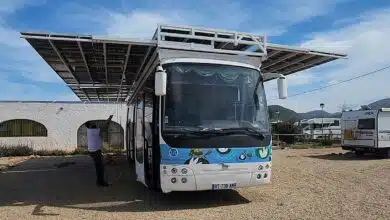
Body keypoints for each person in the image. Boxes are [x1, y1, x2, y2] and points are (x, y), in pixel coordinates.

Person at [86, 115, 113, 187]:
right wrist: (109, 119)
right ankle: (101, 182)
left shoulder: (90, 130)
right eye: (93, 123)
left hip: (93, 151)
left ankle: (99, 181)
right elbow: (104, 126)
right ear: (90, 126)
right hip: (95, 152)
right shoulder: (93, 130)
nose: (95, 124)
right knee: (100, 168)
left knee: (99, 167)